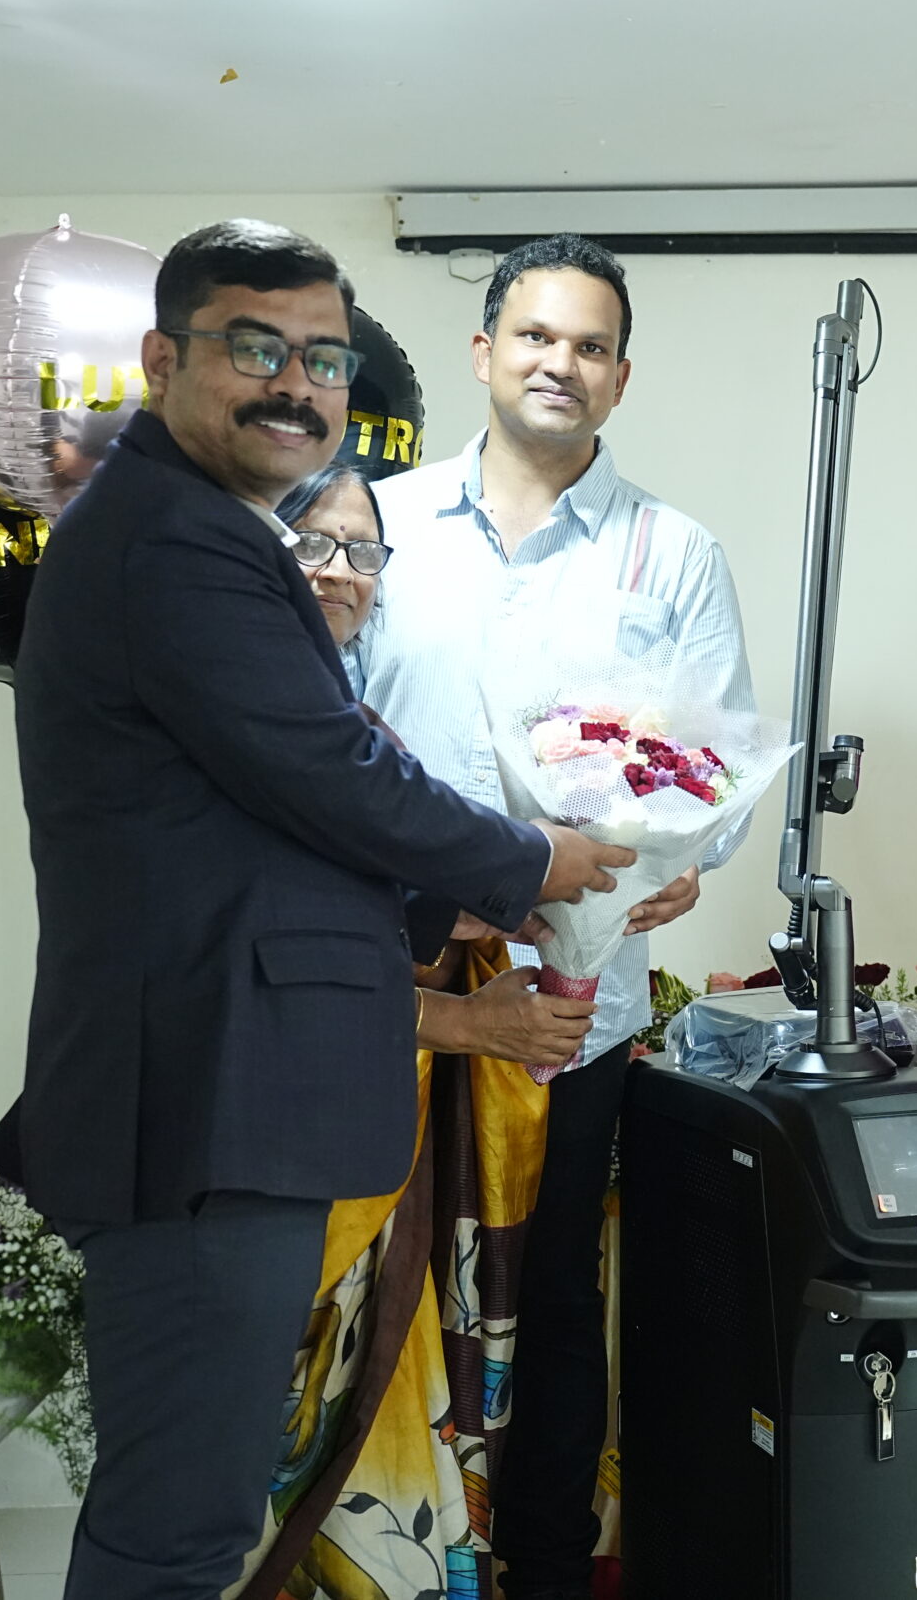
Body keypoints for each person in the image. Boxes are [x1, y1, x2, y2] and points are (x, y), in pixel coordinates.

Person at [0, 219, 632, 1600]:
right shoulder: (177, 537)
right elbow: (331, 773)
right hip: (199, 1101)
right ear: (163, 360)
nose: (295, 383)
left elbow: (282, 817)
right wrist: (528, 860)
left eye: (323, 358)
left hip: (219, 1097)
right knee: (177, 1528)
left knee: (193, 1511)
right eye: (255, 347)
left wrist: (476, 896)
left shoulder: (189, 525)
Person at [357, 233, 755, 1600]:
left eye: (590, 346)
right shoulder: (377, 524)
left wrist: (677, 859)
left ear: (621, 377)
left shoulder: (673, 552)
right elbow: (316, 740)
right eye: (535, 336)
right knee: (384, 1287)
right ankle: (382, 1564)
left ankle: (539, 1567)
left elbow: (713, 775)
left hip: (575, 1001)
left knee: (555, 1299)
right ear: (483, 353)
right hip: (391, 990)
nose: (559, 364)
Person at [234, 463, 596, 1600]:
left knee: (372, 1425)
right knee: (262, 1463)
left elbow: (388, 898)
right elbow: (276, 963)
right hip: (268, 1147)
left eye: (363, 551)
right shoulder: (242, 710)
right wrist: (470, 1019)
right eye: (311, 542)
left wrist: (542, 899)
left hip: (370, 1125)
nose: (340, 571)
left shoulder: (345, 716)